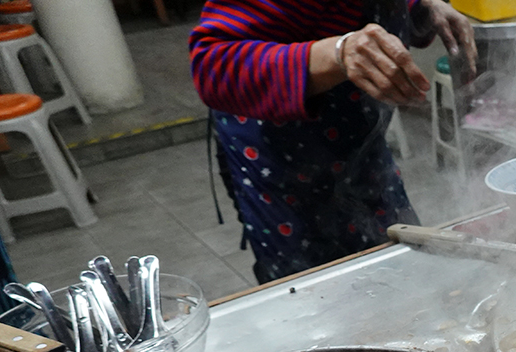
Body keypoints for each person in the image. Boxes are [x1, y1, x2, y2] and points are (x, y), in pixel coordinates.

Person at [190, 0, 478, 283]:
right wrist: (337, 53)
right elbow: (212, 66)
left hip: (359, 145)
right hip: (284, 165)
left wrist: (419, 8)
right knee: (316, 297)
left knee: (402, 267)